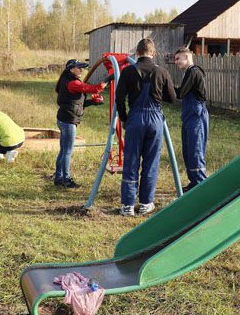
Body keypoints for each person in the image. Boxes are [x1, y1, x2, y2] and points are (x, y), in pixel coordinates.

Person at [115, 38, 176, 216]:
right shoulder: (162, 71)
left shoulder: (127, 72)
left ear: (137, 53)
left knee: (131, 161)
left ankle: (127, 205)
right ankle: (146, 203)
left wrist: (125, 118)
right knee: (151, 162)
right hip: (155, 120)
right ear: (153, 53)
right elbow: (172, 98)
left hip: (135, 119)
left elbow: (119, 99)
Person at [54, 59, 108, 188]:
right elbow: (94, 88)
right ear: (71, 69)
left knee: (63, 151)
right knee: (67, 151)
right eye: (78, 68)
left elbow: (77, 103)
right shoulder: (73, 83)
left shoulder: (69, 81)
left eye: (81, 68)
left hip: (64, 119)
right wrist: (107, 80)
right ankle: (66, 180)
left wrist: (93, 102)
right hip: (68, 122)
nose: (81, 70)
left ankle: (58, 177)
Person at [174, 47, 209, 191]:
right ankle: (194, 182)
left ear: (187, 57)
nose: (176, 62)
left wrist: (165, 86)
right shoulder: (188, 72)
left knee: (195, 150)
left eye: (178, 59)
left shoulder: (194, 72)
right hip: (188, 115)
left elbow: (181, 93)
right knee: (187, 150)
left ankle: (201, 185)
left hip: (197, 115)